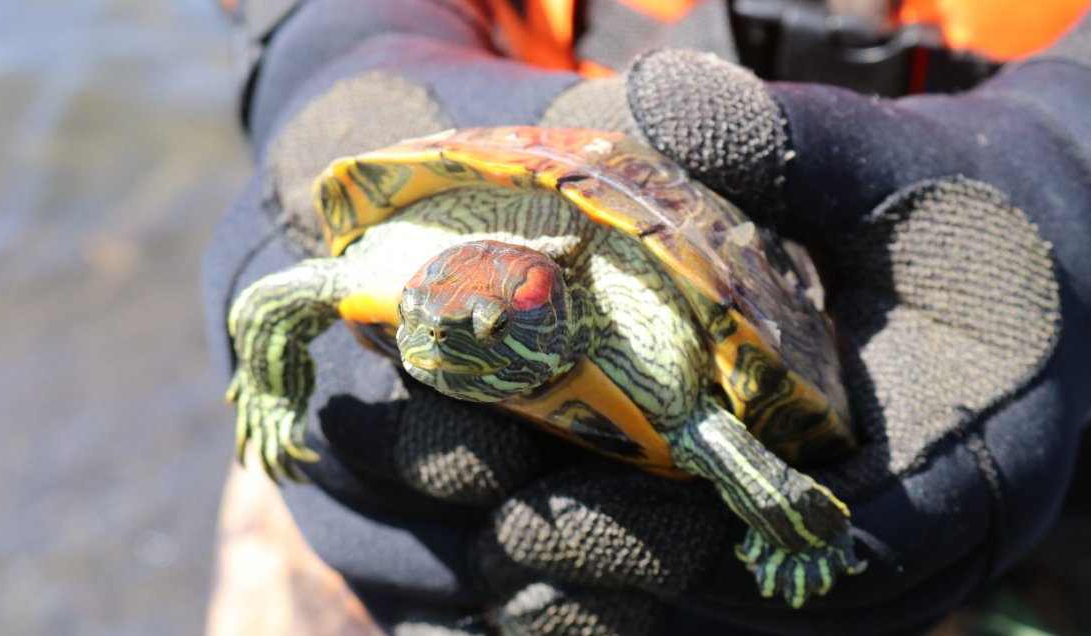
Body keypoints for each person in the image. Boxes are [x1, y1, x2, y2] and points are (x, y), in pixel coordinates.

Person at [201, 1, 1091, 633]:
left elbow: (717, 432)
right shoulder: (404, 274)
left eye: (488, 330)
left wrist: (1065, 142)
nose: (441, 337)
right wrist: (330, 36)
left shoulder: (644, 342)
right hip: (502, 114)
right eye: (429, 324)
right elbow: (292, 294)